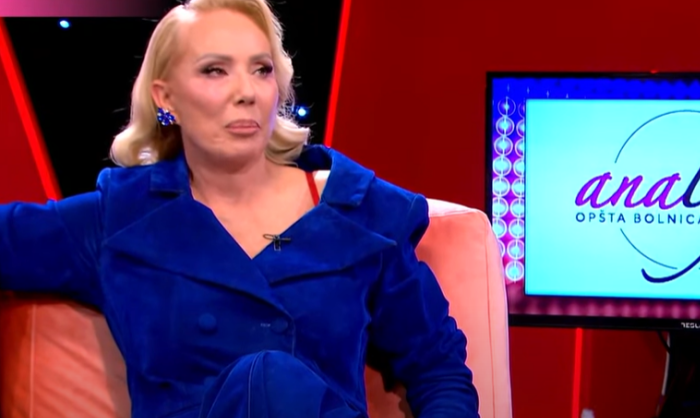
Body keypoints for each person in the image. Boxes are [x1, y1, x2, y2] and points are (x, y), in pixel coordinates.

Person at [0, 0, 479, 417]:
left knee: (274, 380)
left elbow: (438, 368)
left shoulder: (361, 214)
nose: (246, 91)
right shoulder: (124, 218)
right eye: (215, 70)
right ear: (166, 98)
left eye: (261, 69)